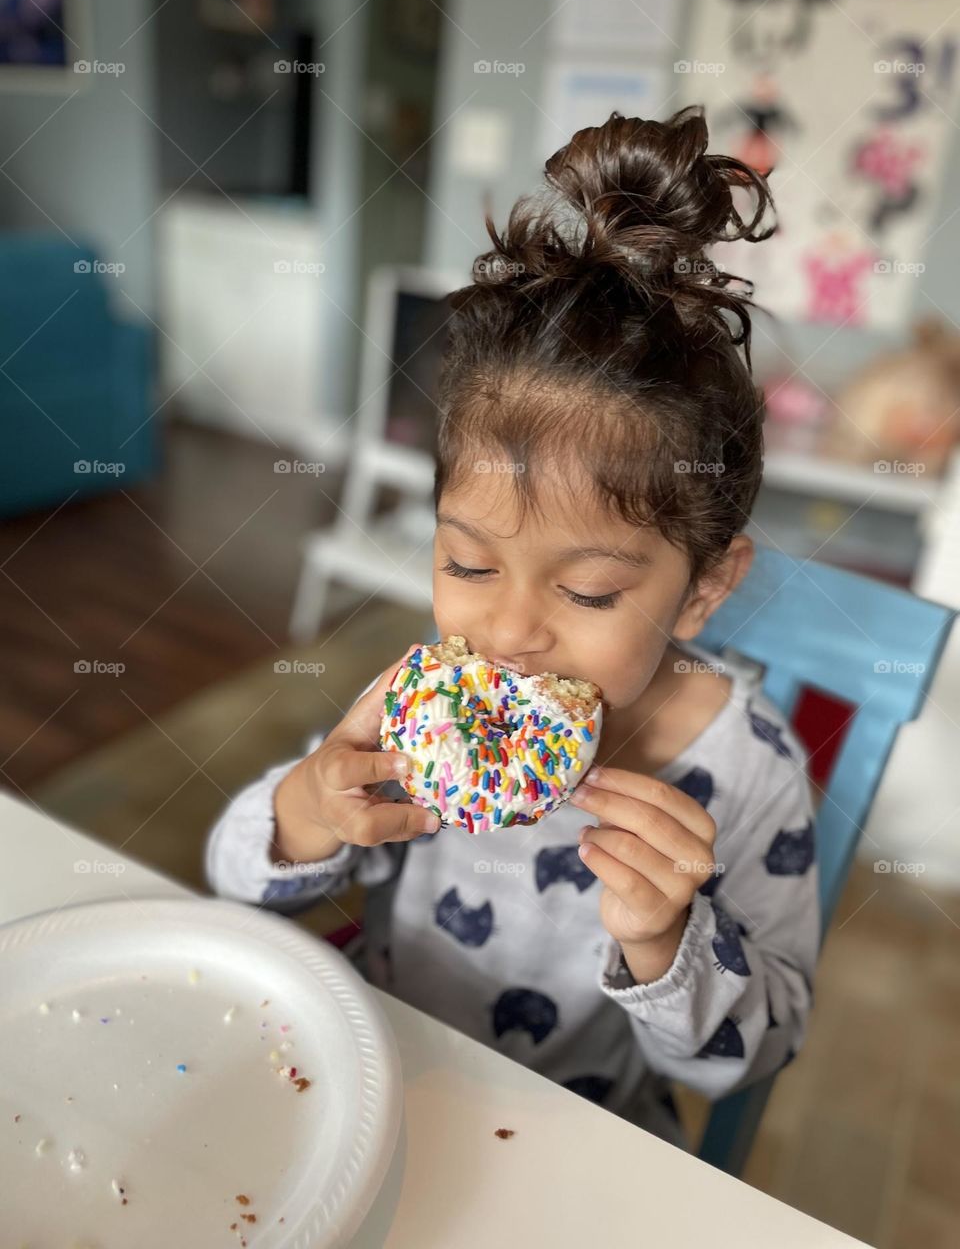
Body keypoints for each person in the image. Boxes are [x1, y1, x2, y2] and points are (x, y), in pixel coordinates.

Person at [206, 105, 819, 1151]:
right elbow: (235, 877)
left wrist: (668, 939)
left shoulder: (750, 770)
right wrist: (313, 807)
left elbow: (752, 1056)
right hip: (373, 1069)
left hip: (578, 1126)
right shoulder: (425, 710)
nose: (510, 630)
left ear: (705, 589)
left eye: (586, 594)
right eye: (467, 563)